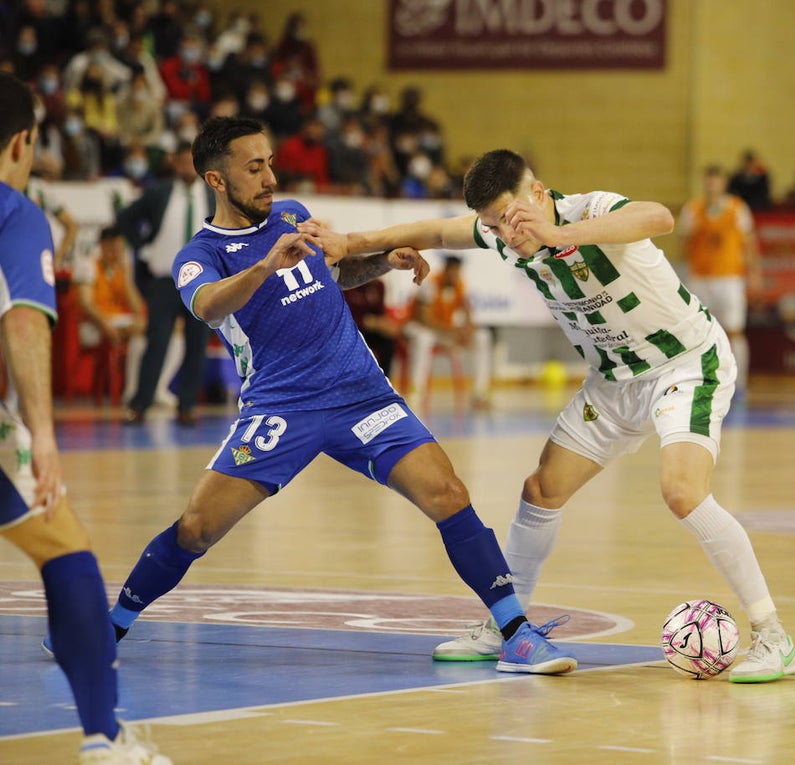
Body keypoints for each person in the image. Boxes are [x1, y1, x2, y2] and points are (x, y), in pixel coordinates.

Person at [54, 116, 575, 677]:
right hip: (281, 410)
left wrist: (383, 261)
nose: (270, 178)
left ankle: (516, 636)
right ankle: (107, 628)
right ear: (216, 180)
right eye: (254, 168)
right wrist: (264, 266)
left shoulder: (292, 216)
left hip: (362, 396)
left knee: (448, 494)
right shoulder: (200, 255)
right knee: (197, 528)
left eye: (270, 163)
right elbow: (207, 306)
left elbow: (330, 275)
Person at [303, 148, 795, 683]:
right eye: (493, 224)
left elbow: (659, 217)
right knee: (541, 490)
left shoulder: (591, 211)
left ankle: (774, 636)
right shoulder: (501, 232)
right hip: (613, 382)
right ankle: (508, 626)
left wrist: (560, 234)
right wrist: (350, 242)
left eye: (511, 218)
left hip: (683, 364)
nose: (506, 234)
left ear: (538, 194)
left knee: (682, 492)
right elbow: (437, 230)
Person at [0, 71, 170, 765]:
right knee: (67, 551)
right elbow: (24, 323)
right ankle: (104, 737)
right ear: (22, 143)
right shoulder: (15, 210)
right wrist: (41, 434)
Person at [117, 142, 213, 426]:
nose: (187, 167)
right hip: (164, 280)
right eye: (182, 162)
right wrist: (142, 248)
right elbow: (125, 217)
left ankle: (187, 406)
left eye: (191, 162)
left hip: (201, 282)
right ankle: (140, 404)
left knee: (197, 345)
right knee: (156, 342)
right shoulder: (160, 192)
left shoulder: (213, 195)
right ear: (175, 163)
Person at [679, 164, 759, 396]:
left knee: (734, 330)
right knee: (697, 333)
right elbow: (683, 244)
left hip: (730, 278)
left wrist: (754, 273)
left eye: (716, 180)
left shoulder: (737, 208)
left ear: (723, 183)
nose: (712, 184)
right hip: (700, 278)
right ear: (704, 182)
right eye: (709, 180)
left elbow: (749, 242)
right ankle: (700, 381)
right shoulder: (693, 210)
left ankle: (740, 384)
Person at [404, 255, 492, 409]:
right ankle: (416, 391)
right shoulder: (430, 284)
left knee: (482, 336)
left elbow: (467, 311)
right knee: (424, 338)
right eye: (452, 271)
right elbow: (423, 319)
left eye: (457, 271)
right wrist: (452, 332)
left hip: (445, 332)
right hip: (419, 327)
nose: (455, 275)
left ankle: (480, 394)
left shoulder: (460, 284)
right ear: (445, 270)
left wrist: (467, 330)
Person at [73, 226, 147, 400]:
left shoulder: (121, 269)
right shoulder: (88, 266)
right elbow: (85, 304)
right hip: (92, 325)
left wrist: (127, 278)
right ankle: (134, 391)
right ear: (103, 245)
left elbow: (138, 309)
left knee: (153, 332)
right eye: (113, 248)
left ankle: (141, 388)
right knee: (144, 329)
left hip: (119, 322)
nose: (116, 254)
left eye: (120, 249)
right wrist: (104, 324)